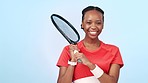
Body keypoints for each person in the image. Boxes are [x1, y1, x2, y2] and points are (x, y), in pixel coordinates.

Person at [56, 6, 124, 83]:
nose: (93, 27)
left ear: (103, 25)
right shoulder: (68, 50)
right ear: (82, 25)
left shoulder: (113, 50)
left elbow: (112, 82)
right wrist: (73, 61)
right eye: (89, 22)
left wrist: (90, 64)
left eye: (98, 23)